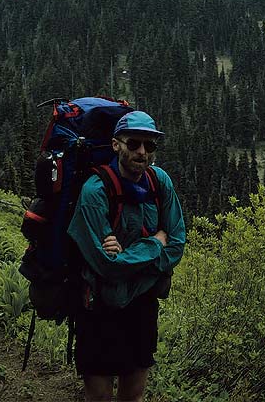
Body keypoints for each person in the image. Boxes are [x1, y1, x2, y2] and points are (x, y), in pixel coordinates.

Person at [67, 110, 186, 402]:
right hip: (98, 306)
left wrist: (127, 258)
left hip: (142, 305)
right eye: (134, 144)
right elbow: (106, 265)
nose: (142, 152)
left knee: (133, 395)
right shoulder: (95, 191)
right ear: (116, 144)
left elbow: (177, 244)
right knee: (99, 397)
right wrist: (155, 244)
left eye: (150, 145)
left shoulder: (160, 183)